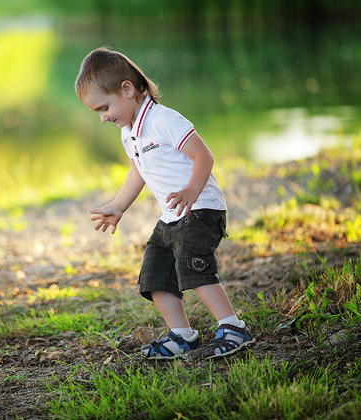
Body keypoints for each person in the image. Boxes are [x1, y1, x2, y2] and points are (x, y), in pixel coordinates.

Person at [75, 47, 255, 359]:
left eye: (104, 108)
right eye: (97, 113)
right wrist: (118, 206)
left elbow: (203, 155)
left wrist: (191, 190)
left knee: (193, 266)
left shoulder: (163, 120)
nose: (103, 117)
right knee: (155, 274)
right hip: (172, 216)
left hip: (201, 208)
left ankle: (233, 327)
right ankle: (182, 336)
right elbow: (138, 171)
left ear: (127, 90)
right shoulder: (128, 132)